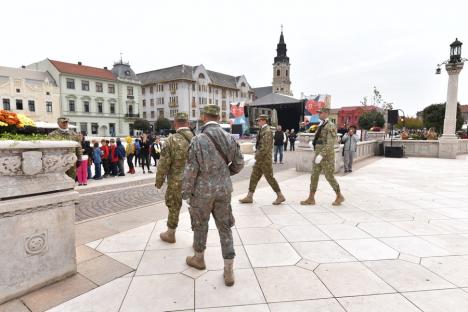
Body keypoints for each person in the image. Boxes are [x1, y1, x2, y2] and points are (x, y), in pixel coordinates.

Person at [182, 104, 244, 286]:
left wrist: (185, 192)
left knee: (200, 225)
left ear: (204, 117)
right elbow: (239, 163)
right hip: (223, 191)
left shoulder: (198, 140)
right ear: (218, 117)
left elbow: (191, 171)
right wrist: (225, 175)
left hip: (202, 193)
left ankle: (199, 258)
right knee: (225, 228)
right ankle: (228, 270)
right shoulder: (229, 138)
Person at [155, 113, 194, 243]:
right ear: (188, 123)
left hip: (176, 181)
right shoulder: (197, 139)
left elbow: (163, 164)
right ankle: (198, 239)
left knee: (173, 205)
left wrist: (159, 182)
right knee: (195, 207)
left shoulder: (171, 140)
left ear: (175, 123)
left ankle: (171, 233)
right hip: (195, 180)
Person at [301, 108, 345, 206]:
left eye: (320, 113)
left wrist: (321, 154)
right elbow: (319, 139)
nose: (319, 114)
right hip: (318, 154)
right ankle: (311, 198)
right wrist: (313, 144)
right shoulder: (321, 125)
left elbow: (330, 144)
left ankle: (339, 195)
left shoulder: (331, 126)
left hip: (326, 156)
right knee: (314, 176)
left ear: (326, 113)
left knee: (329, 176)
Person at [239, 115, 285, 205]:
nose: (258, 122)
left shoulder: (267, 131)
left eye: (259, 120)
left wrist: (256, 157)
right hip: (260, 159)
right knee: (254, 177)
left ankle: (280, 196)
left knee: (270, 178)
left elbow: (265, 148)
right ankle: (249, 196)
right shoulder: (262, 130)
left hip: (264, 159)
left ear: (264, 121)